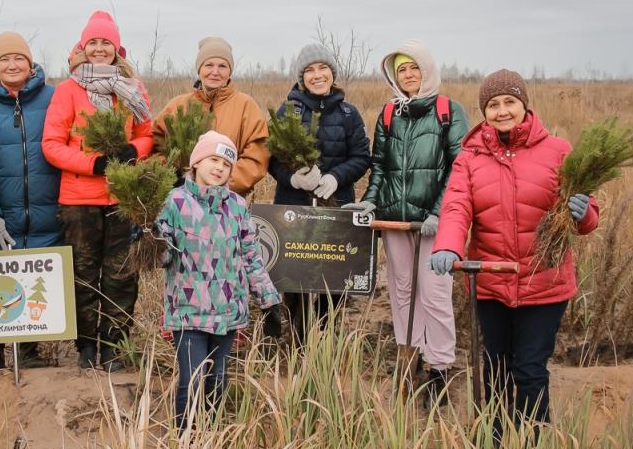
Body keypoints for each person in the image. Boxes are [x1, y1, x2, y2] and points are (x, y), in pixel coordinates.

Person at [430, 69, 598, 438]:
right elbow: (457, 207)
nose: (502, 111)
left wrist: (583, 212)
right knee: (495, 366)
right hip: (492, 280)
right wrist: (447, 245)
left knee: (530, 369)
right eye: (493, 105)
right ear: (484, 111)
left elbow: (587, 221)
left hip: (545, 284)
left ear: (524, 104)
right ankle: (494, 442)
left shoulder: (558, 151)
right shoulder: (470, 156)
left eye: (510, 102)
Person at [344, 41, 469, 408]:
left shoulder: (449, 111)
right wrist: (370, 201)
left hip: (434, 225)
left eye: (414, 68)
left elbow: (459, 168)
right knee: (401, 291)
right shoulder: (389, 114)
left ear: (426, 70)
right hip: (394, 222)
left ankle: (440, 368)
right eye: (401, 70)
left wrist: (439, 212)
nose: (408, 75)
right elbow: (380, 167)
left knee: (434, 294)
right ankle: (409, 358)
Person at [42, 11, 153, 371]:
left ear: (116, 48)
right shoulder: (68, 91)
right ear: (83, 46)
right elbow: (52, 145)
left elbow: (148, 134)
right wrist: (92, 164)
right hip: (78, 201)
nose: (100, 48)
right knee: (83, 275)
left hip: (121, 196)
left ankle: (114, 346)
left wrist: (131, 152)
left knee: (122, 274)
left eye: (106, 42)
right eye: (94, 42)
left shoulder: (133, 91)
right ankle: (87, 346)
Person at [155, 131, 282, 431]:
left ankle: (210, 442)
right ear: (196, 162)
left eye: (226, 164)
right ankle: (186, 445)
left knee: (217, 378)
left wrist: (269, 302)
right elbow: (161, 255)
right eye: (213, 160)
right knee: (193, 379)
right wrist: (153, 239)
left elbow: (251, 257)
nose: (220, 168)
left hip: (228, 311)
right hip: (188, 310)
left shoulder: (237, 206)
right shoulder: (174, 202)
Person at [0, 32, 60, 371]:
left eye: (18, 58)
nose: (12, 65)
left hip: (45, 211)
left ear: (30, 63)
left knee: (33, 281)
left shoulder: (54, 98)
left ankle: (32, 350)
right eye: (4, 59)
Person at [267, 43, 371, 344]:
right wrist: (294, 179)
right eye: (309, 70)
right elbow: (272, 160)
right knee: (295, 276)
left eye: (322, 68)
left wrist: (336, 178)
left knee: (335, 277)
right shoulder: (288, 111)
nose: (317, 75)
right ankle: (298, 341)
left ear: (332, 73)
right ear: (302, 78)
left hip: (336, 208)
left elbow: (362, 157)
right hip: (294, 207)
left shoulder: (349, 114)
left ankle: (323, 338)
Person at [152, 37, 269, 198]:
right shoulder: (177, 106)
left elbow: (256, 158)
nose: (215, 72)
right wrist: (175, 179)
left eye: (222, 66)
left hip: (228, 201)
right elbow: (155, 148)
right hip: (180, 200)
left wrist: (219, 184)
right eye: (209, 65)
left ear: (230, 71)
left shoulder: (246, 106)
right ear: (199, 69)